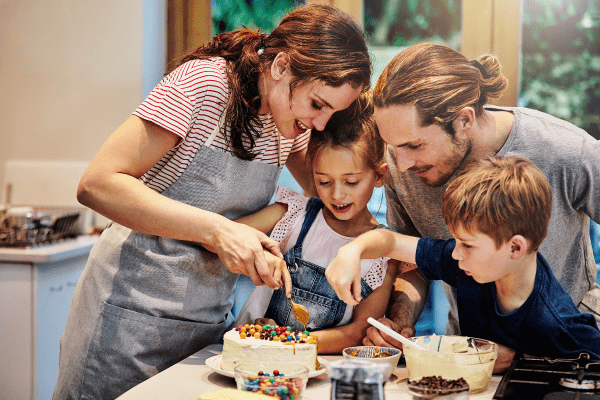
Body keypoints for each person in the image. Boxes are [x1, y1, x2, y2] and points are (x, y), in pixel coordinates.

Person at [52, 5, 371, 400]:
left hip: (205, 325)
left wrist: (387, 244)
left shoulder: (289, 120)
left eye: (332, 112)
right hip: (128, 315)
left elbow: (327, 193)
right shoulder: (205, 83)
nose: (321, 124)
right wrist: (220, 231)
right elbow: (97, 183)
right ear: (281, 66)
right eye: (318, 105)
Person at [356, 42, 600, 371]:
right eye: (392, 146)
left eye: (414, 145)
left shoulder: (567, 151)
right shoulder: (403, 165)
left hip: (564, 359)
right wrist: (399, 322)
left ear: (464, 119)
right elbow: (411, 261)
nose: (400, 165)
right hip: (469, 355)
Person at [327, 156, 600, 361]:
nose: (455, 253)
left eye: (467, 245)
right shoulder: (469, 264)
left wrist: (519, 360)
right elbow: (392, 242)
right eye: (456, 241)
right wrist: (353, 250)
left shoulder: (556, 322)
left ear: (515, 248)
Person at [232, 93, 405, 354]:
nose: (336, 195)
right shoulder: (293, 213)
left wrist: (283, 342)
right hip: (248, 355)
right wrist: (257, 252)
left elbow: (358, 332)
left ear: (379, 175)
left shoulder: (383, 254)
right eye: (324, 181)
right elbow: (221, 237)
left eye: (351, 182)